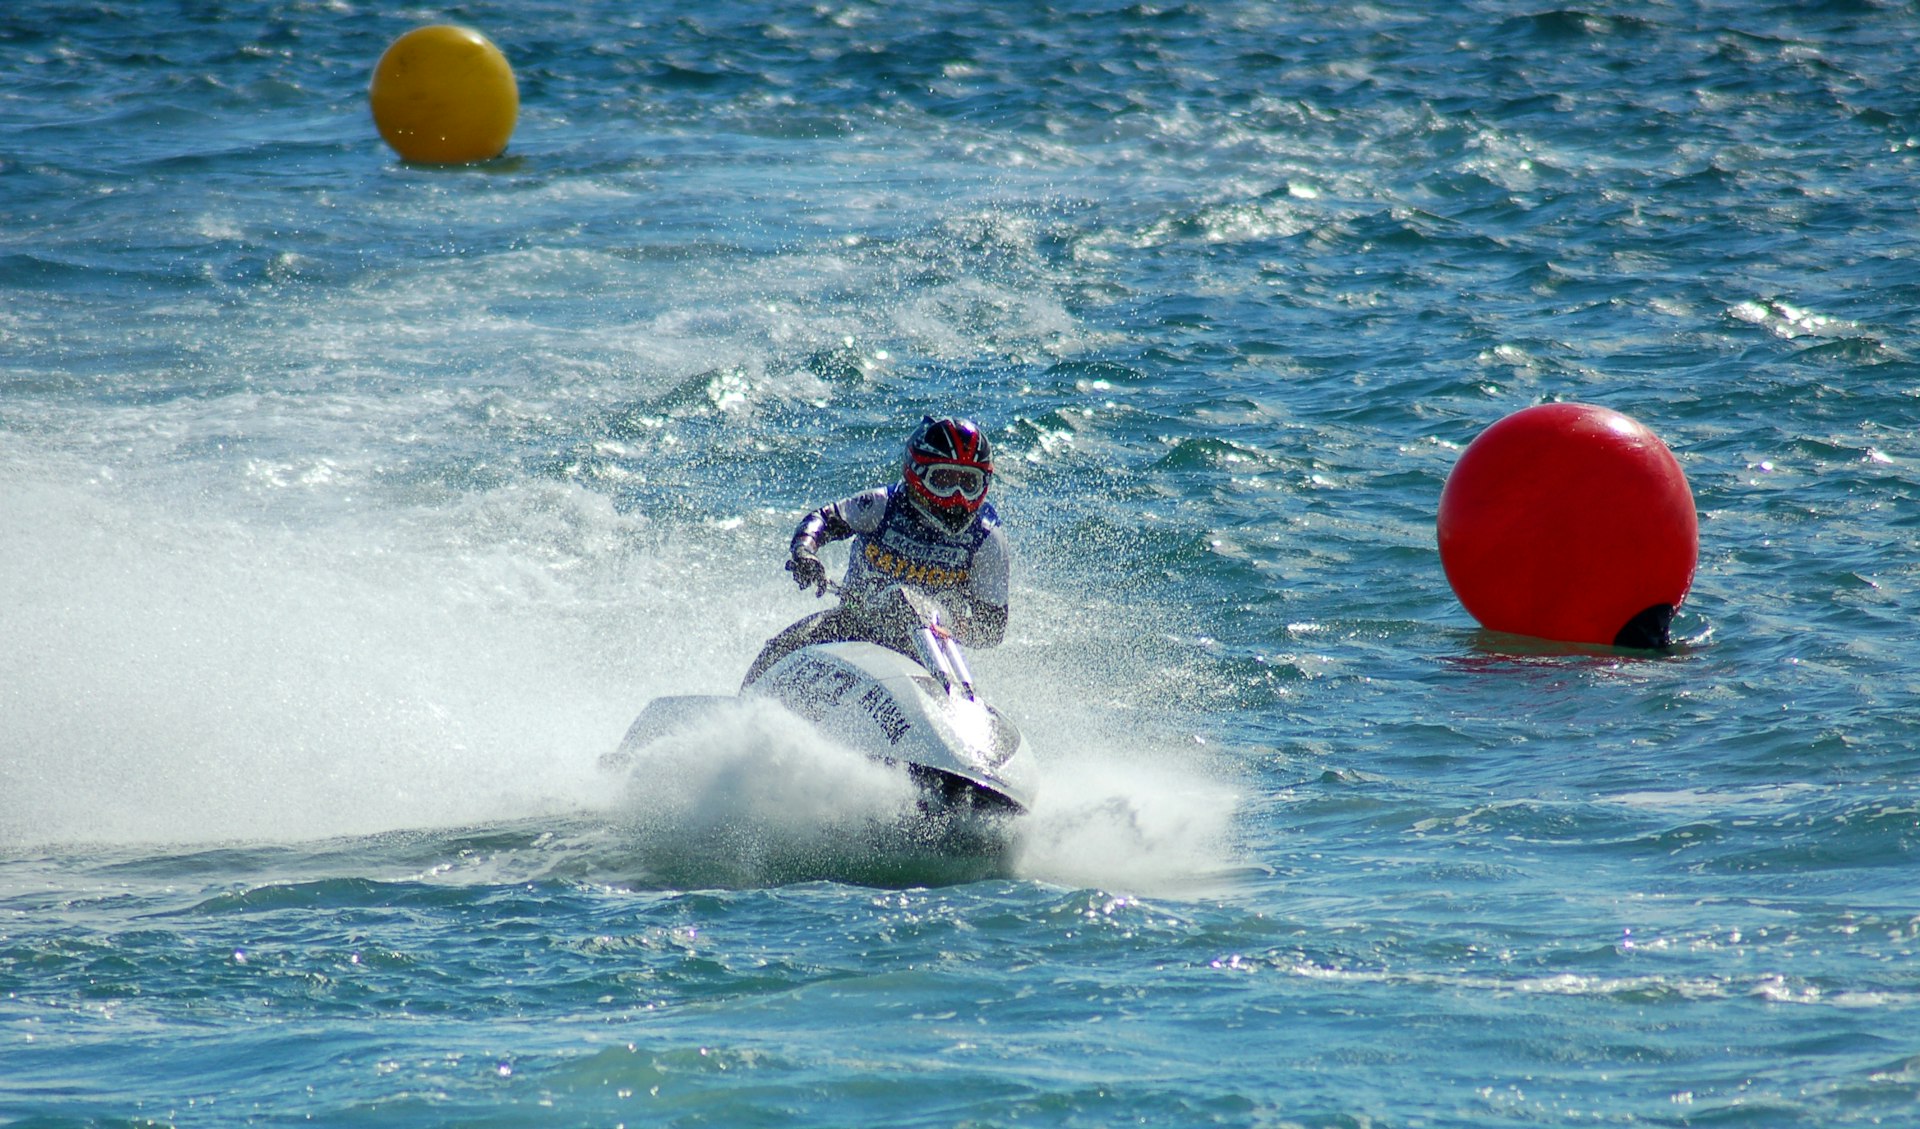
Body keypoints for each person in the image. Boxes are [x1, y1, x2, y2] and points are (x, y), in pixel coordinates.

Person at [742, 415, 1010, 688]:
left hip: (930, 648)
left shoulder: (986, 537)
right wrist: (805, 553)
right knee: (778, 651)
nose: (957, 497)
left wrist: (951, 628)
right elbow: (822, 518)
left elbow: (991, 630)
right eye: (943, 480)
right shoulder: (882, 505)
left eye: (968, 483)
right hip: (855, 627)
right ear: (917, 474)